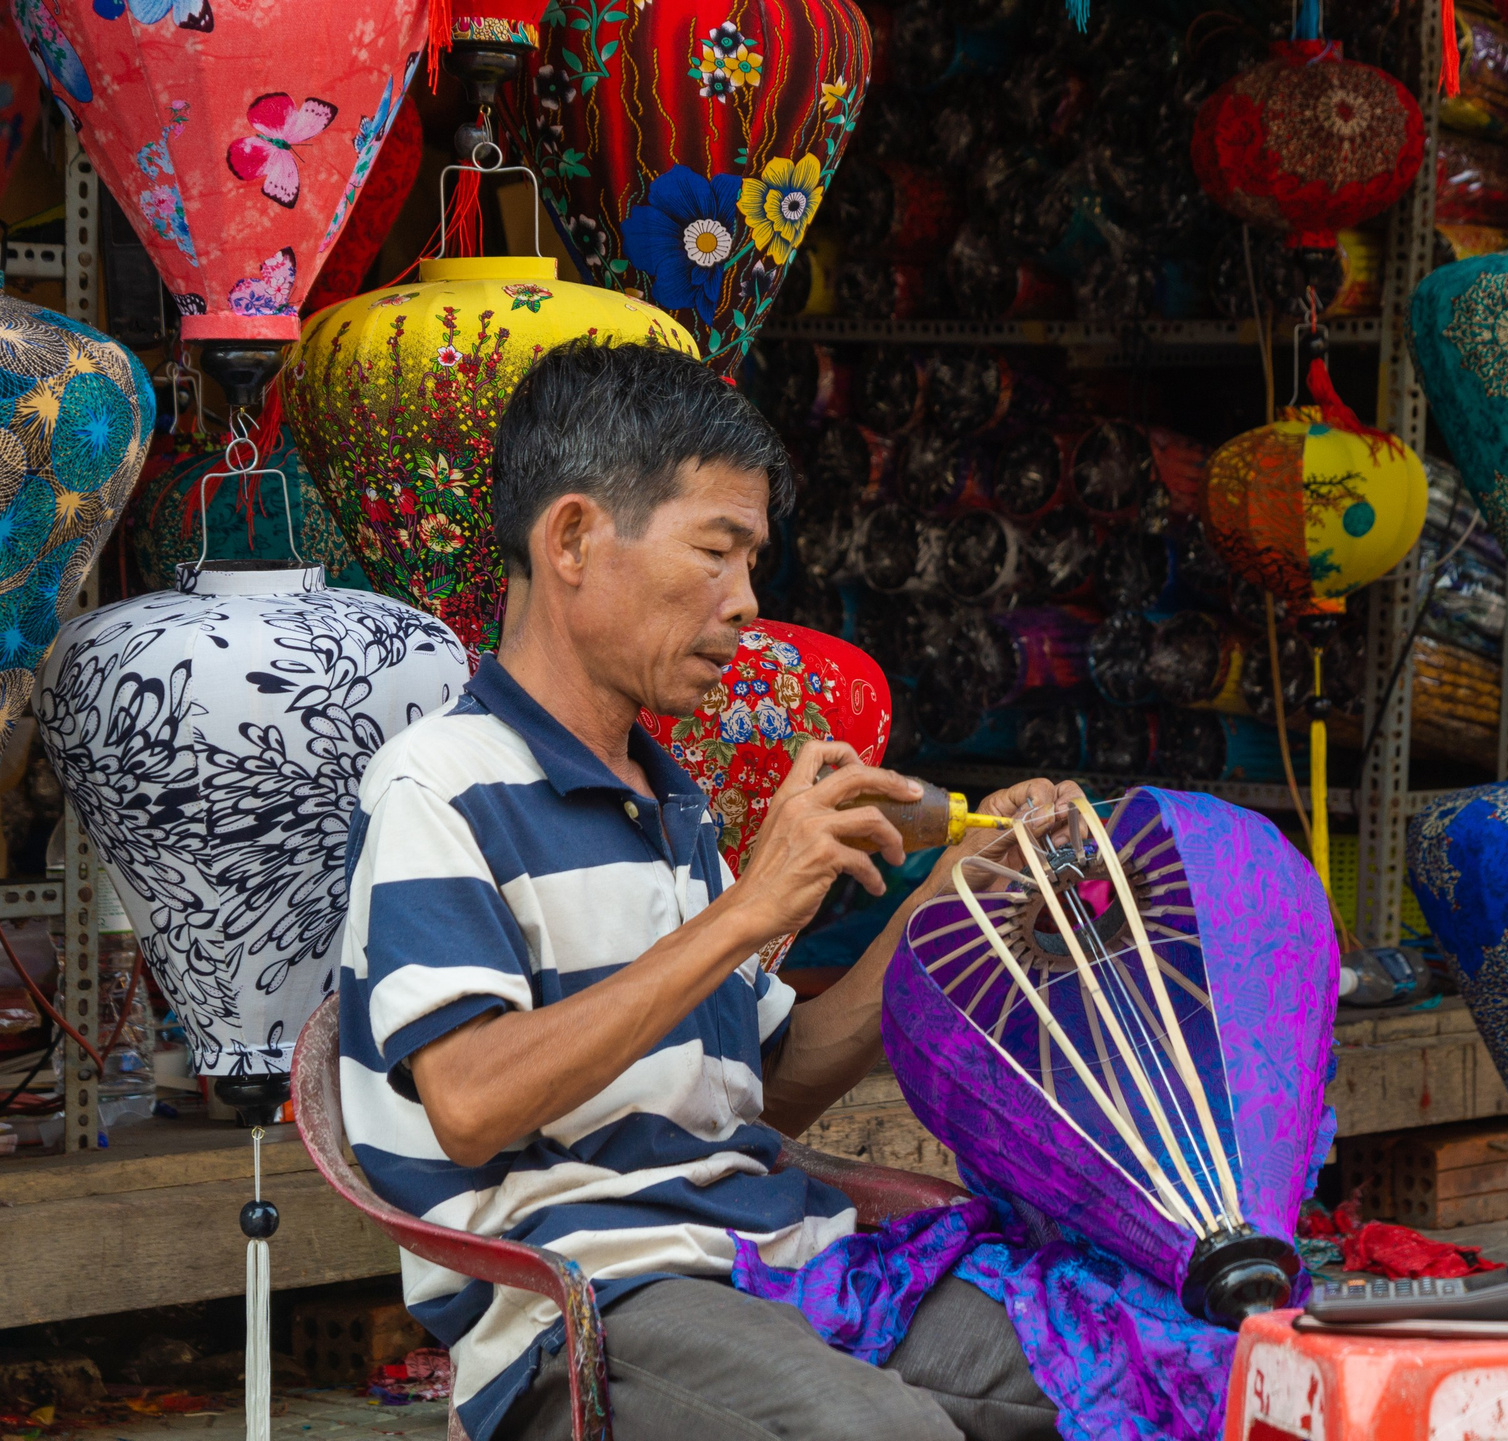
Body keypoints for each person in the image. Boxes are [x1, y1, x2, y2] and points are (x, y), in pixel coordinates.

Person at [336, 340, 1074, 1441]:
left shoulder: (667, 803)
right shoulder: (437, 788)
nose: (745, 601)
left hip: (776, 1264)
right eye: (715, 551)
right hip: (591, 1310)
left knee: (1110, 1368)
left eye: (750, 559)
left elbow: (769, 1089)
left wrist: (947, 909)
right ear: (575, 538)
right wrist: (748, 910)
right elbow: (472, 1104)